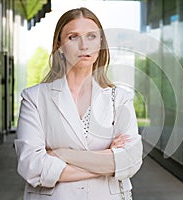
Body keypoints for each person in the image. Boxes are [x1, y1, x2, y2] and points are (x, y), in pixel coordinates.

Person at [14, 7, 143, 200]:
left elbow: (131, 161)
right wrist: (108, 161)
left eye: (91, 36)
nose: (84, 45)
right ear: (60, 44)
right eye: (73, 37)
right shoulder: (35, 98)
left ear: (100, 43)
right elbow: (32, 166)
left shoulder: (120, 99)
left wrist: (61, 154)